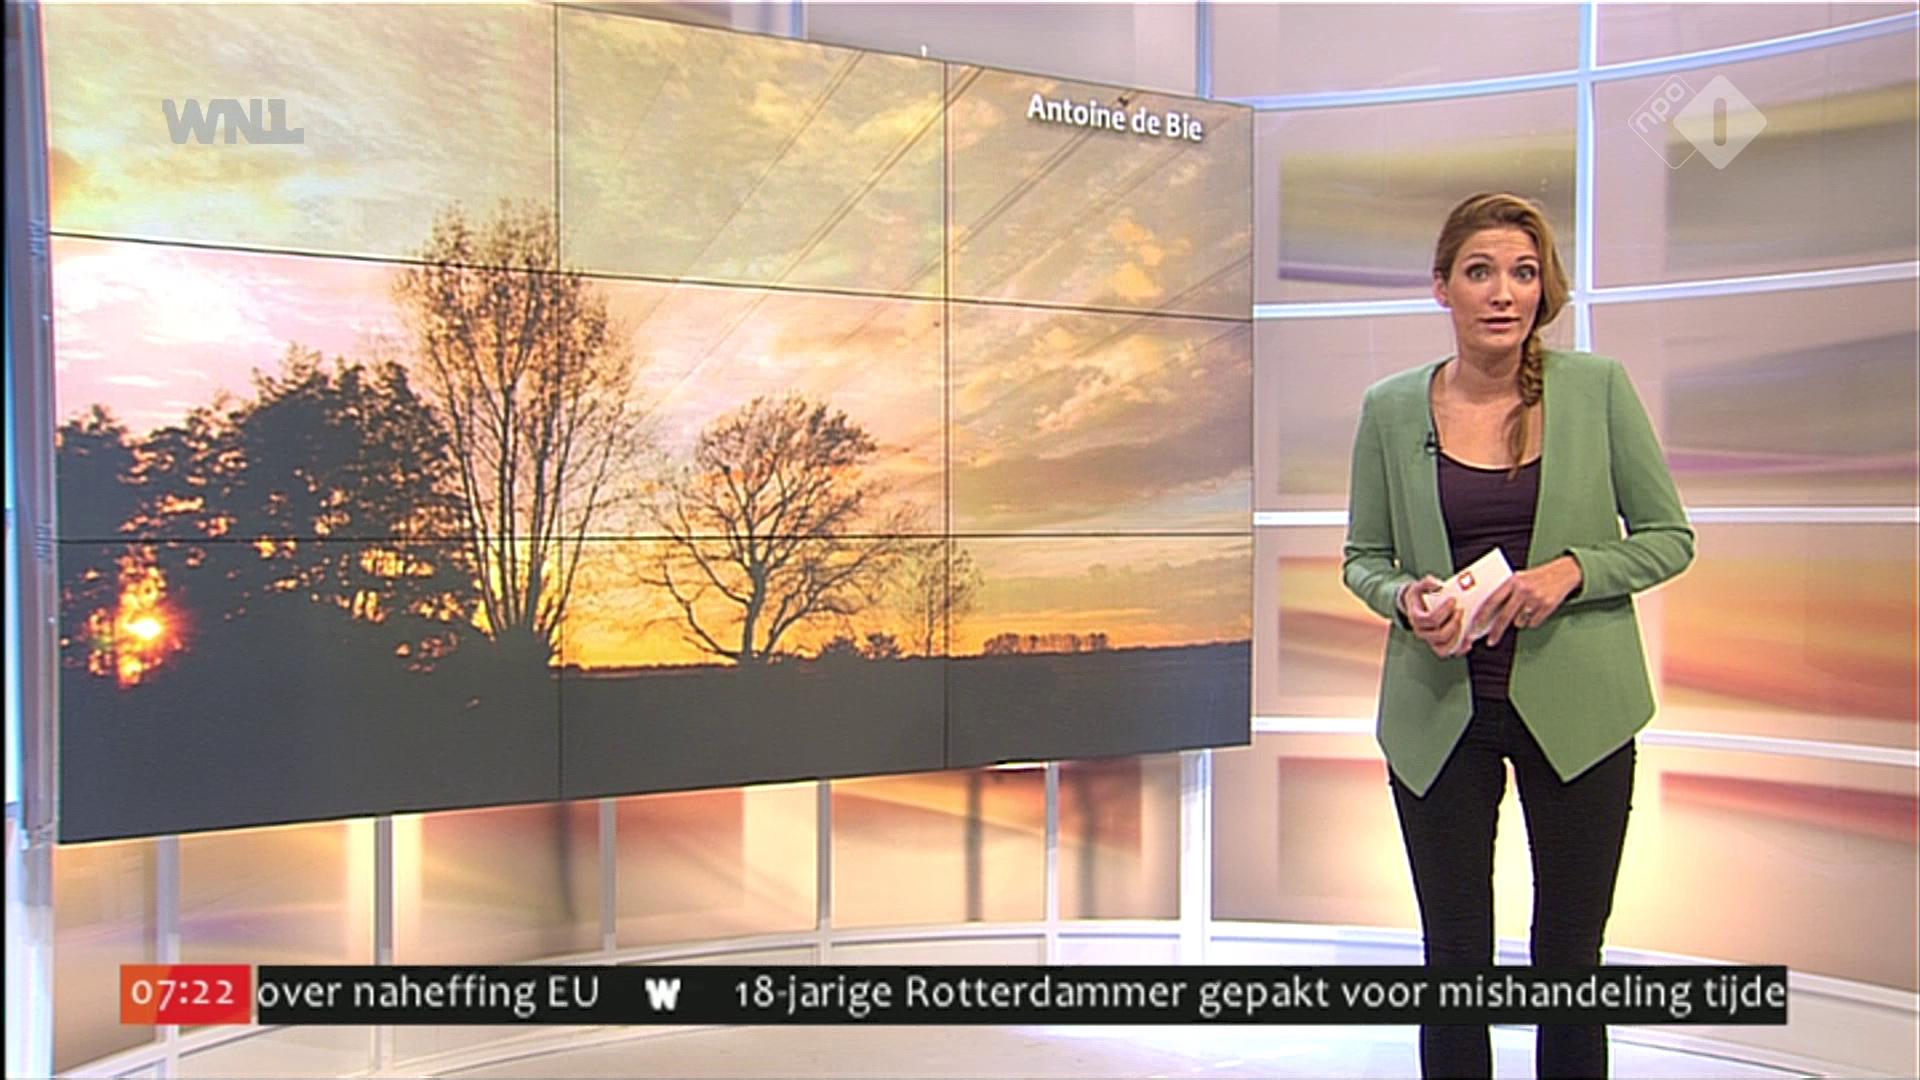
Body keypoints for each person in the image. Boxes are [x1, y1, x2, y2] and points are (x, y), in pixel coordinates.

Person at [1341, 192, 1695, 1079]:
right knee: (1454, 959)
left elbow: (1668, 538)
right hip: (1439, 714)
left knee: (1569, 959)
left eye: (1524, 273)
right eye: (1481, 272)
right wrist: (1406, 598)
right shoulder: (1391, 408)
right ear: (1442, 288)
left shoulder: (1596, 390)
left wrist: (1571, 571)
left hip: (1579, 712)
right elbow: (1362, 558)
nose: (1503, 293)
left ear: (1544, 290)